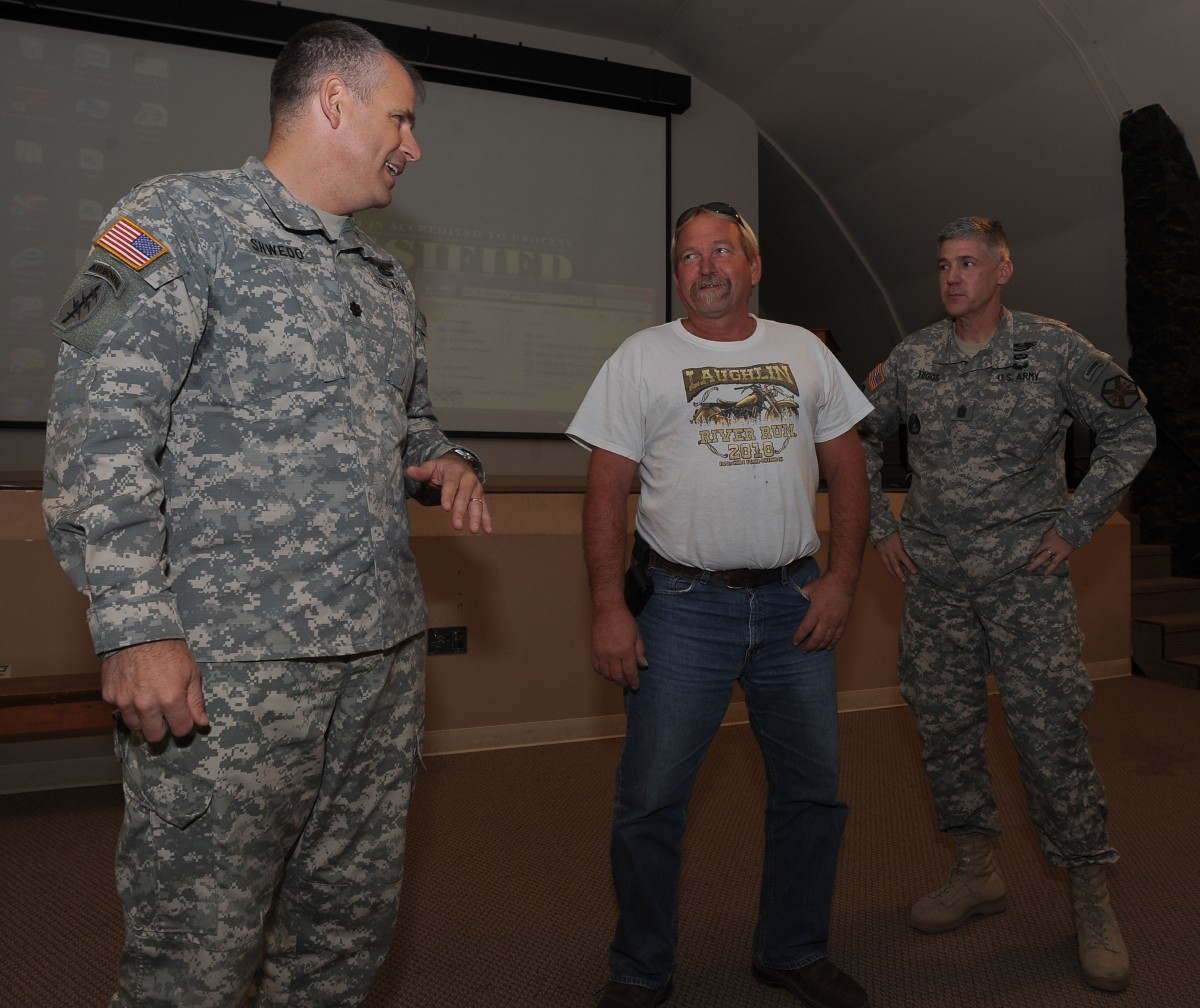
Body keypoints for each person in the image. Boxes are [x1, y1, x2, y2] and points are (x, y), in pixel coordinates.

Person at [42, 20, 491, 1008]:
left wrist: (448, 460)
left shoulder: (384, 278)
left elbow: (411, 425)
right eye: (400, 118)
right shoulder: (180, 220)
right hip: (230, 671)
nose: (413, 146)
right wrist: (136, 626)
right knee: (193, 964)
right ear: (333, 101)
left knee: (342, 942)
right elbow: (99, 433)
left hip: (379, 665)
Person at [567, 203, 872, 1008]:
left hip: (794, 606)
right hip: (680, 609)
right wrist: (609, 606)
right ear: (677, 275)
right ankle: (641, 967)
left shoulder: (804, 350)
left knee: (812, 795)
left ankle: (793, 950)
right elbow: (605, 491)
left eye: (722, 251)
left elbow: (849, 470)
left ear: (753, 267)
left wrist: (843, 580)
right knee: (651, 801)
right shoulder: (641, 357)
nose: (706, 267)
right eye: (690, 256)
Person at [858, 216, 1155, 993]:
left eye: (967, 263)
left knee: (1050, 736)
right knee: (945, 732)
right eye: (943, 265)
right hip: (935, 584)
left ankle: (1089, 895)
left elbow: (1131, 428)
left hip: (1026, 578)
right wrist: (880, 525)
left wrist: (1076, 525)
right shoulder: (913, 357)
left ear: (1002, 270)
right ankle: (975, 869)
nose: (952, 277)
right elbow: (852, 436)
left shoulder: (1053, 348)